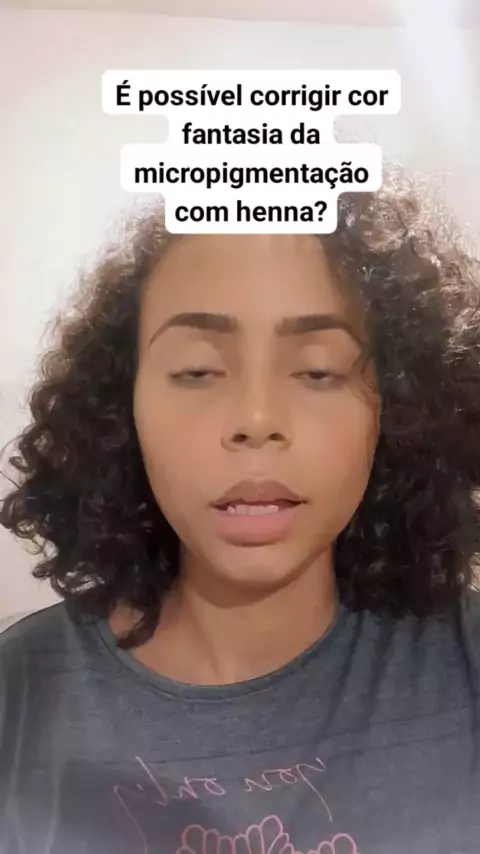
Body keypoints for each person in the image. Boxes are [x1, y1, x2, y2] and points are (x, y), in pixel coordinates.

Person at [1, 175, 480, 854]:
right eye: (197, 371)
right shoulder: (21, 692)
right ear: (121, 407)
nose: (256, 419)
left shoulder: (462, 661)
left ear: (396, 410)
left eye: (318, 371)